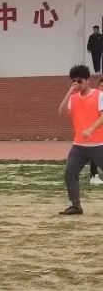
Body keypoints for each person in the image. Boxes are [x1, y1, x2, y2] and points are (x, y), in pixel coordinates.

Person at [58, 65, 103, 215]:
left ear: (88, 80)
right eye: (73, 81)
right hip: (79, 146)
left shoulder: (99, 95)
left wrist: (91, 129)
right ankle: (75, 205)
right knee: (70, 172)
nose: (77, 83)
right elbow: (61, 112)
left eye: (79, 80)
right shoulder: (73, 97)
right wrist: (69, 93)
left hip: (99, 144)